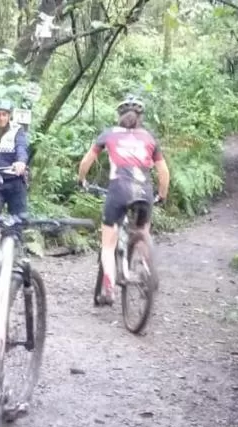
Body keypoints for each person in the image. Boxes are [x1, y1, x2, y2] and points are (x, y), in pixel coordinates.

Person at [76, 95, 170, 305]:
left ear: (119, 116)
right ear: (140, 117)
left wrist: (81, 180)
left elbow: (86, 161)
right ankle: (148, 266)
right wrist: (162, 195)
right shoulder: (149, 137)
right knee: (142, 230)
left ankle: (109, 288)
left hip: (119, 189)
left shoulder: (109, 134)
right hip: (144, 191)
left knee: (108, 243)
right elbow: (164, 172)